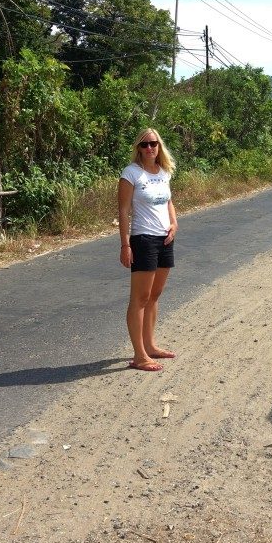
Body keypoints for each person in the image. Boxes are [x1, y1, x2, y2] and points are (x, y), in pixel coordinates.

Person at [118, 128, 178, 372]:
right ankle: (139, 355)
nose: (149, 148)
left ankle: (150, 345)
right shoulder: (131, 174)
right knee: (140, 298)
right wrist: (125, 244)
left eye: (153, 143)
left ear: (159, 146)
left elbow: (168, 202)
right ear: (138, 148)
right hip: (143, 240)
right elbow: (123, 211)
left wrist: (174, 223)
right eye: (144, 145)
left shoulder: (163, 173)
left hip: (165, 239)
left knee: (154, 295)